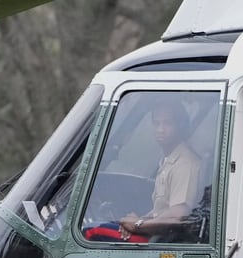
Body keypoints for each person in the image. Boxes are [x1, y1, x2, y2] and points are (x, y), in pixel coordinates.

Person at [84, 98, 203, 243]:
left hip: (165, 241)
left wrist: (139, 225)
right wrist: (136, 221)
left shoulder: (185, 163)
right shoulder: (169, 160)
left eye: (168, 123)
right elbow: (162, 211)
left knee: (90, 232)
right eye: (156, 123)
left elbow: (178, 215)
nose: (161, 129)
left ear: (180, 126)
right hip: (157, 235)